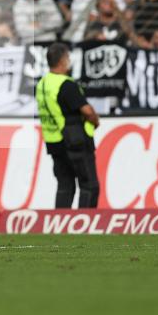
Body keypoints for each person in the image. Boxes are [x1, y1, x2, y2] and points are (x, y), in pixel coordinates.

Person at [36, 42, 100, 208]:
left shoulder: (42, 84)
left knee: (65, 186)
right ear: (63, 61)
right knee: (89, 185)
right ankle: (85, 227)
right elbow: (86, 110)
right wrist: (95, 120)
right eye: (68, 58)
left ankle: (60, 226)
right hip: (75, 141)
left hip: (53, 142)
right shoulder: (66, 84)